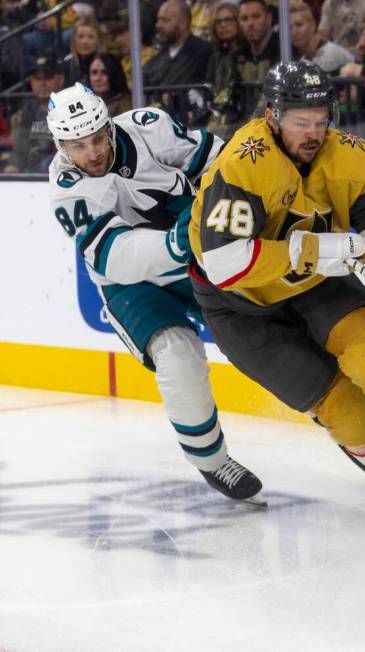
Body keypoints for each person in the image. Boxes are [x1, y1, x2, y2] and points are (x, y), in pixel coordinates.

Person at [188, 60, 365, 520]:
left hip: (313, 282)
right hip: (239, 306)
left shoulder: (351, 156)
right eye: (301, 121)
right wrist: (307, 249)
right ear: (272, 116)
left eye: (321, 120)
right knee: (347, 414)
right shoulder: (242, 165)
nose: (313, 132)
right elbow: (225, 263)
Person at [46, 82, 264, 503]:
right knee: (176, 351)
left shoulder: (150, 127)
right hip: (130, 282)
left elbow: (218, 161)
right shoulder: (67, 189)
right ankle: (212, 460)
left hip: (197, 253)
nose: (92, 153)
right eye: (78, 146)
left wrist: (234, 207)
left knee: (262, 330)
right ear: (61, 146)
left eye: (96, 138)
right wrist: (178, 243)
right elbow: (114, 255)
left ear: (109, 127)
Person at [143, 0, 213, 125]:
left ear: (183, 23)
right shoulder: (152, 64)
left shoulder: (205, 52)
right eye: (158, 19)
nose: (158, 25)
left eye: (165, 20)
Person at [4, 53, 64, 173]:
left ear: (61, 79)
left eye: (48, 77)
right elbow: (21, 149)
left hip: (59, 173)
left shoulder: (68, 106)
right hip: (31, 174)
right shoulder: (29, 109)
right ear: (31, 82)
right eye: (37, 78)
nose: (42, 83)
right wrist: (13, 167)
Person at [234, 0, 281, 123]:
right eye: (244, 18)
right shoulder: (238, 57)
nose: (250, 23)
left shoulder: (284, 50)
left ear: (269, 18)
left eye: (256, 17)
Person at [205, 2, 245, 140]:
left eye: (228, 19)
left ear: (238, 21)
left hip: (241, 118)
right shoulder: (215, 57)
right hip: (218, 115)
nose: (223, 25)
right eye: (218, 22)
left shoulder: (248, 53)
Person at [290, 1, 355, 76]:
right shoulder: (302, 61)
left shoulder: (329, 54)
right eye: (289, 28)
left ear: (312, 25)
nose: (294, 32)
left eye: (299, 25)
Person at [88, 53, 132, 117]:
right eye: (94, 72)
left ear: (114, 75)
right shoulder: (87, 104)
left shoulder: (126, 104)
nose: (98, 78)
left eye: (104, 73)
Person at [65, 15, 102, 86]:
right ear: (73, 39)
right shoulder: (66, 64)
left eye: (91, 37)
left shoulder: (108, 64)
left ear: (98, 40)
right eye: (80, 36)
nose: (85, 41)